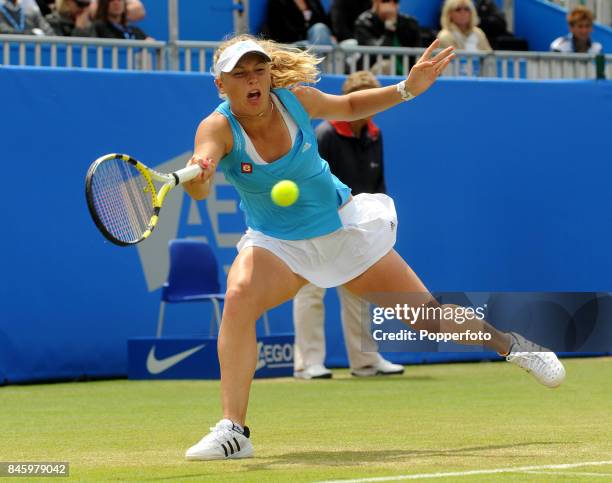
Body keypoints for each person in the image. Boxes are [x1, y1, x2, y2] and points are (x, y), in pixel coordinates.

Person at [181, 34, 565, 461]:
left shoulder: (295, 101)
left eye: (259, 70)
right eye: (240, 74)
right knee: (237, 298)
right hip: (278, 244)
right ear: (221, 85)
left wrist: (406, 89)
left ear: (270, 73)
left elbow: (348, 107)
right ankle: (234, 429)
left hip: (341, 229)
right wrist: (201, 177)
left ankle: (513, 346)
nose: (253, 80)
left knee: (429, 320)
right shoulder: (216, 128)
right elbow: (202, 181)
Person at [293, 70, 403, 380]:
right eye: (365, 99)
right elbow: (310, 179)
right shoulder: (325, 134)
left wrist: (378, 222)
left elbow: (377, 182)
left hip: (356, 222)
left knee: (359, 291)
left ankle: (364, 362)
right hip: (316, 221)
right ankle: (308, 363)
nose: (371, 106)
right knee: (310, 289)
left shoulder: (375, 134)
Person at [354, 0, 421, 74]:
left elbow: (418, 54)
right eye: (386, 1)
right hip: (371, 70)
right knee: (386, 66)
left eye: (395, 1)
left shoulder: (410, 23)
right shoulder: (364, 22)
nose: (391, 5)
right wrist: (390, 28)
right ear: (375, 2)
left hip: (407, 71)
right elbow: (379, 53)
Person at [263, 0, 333, 46]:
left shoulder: (314, 2)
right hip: (290, 43)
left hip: (316, 41)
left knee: (320, 29)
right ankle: (318, 68)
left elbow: (323, 23)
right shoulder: (278, 2)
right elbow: (279, 31)